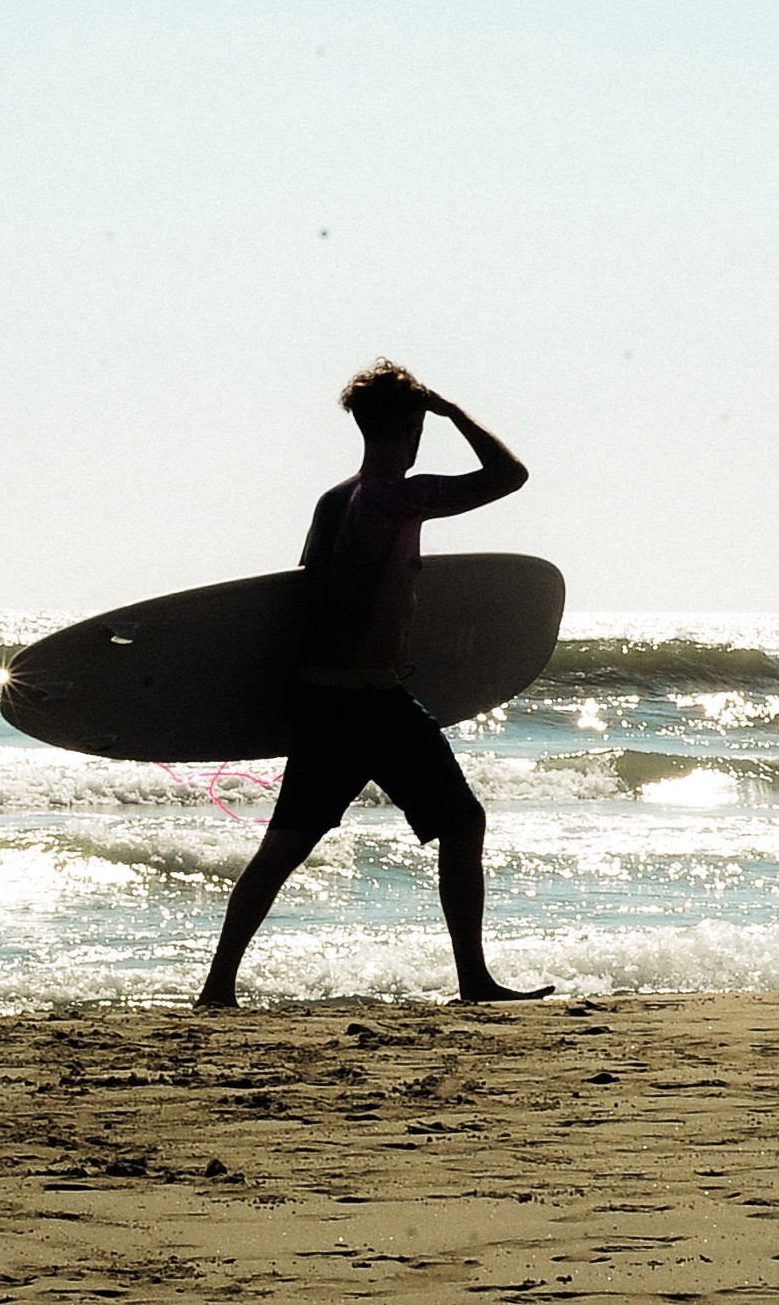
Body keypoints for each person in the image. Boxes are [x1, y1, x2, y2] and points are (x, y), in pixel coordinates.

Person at [196, 362, 552, 1009]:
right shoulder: (400, 498)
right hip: (369, 702)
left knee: (285, 847)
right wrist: (452, 410)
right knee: (462, 822)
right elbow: (509, 476)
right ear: (411, 427)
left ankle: (217, 987)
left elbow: (305, 596)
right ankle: (472, 981)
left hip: (332, 697)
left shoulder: (335, 501)